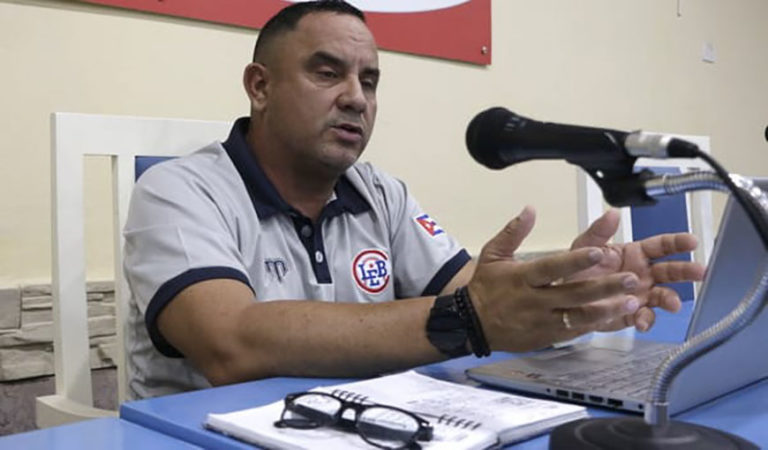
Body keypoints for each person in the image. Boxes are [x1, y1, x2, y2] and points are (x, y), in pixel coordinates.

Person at [123, 0, 704, 400]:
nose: (356, 98)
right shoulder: (178, 189)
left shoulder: (382, 194)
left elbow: (478, 299)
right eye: (328, 74)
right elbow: (233, 344)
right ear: (260, 86)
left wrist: (577, 291)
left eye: (369, 81)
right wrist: (468, 319)